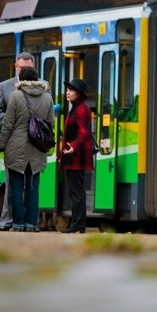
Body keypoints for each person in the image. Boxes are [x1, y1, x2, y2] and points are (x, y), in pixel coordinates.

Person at [0, 66, 54, 232]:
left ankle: (18, 223)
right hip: (37, 149)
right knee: (33, 188)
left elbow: (8, 124)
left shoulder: (16, 96)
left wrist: (1, 144)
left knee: (16, 188)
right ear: (37, 79)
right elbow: (50, 123)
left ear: (21, 79)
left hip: (16, 148)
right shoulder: (47, 97)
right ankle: (31, 223)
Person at [0, 52, 38, 231]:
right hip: (14, 143)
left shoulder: (42, 87)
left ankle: (25, 222)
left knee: (30, 185)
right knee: (11, 184)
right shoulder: (5, 87)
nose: (25, 71)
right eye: (22, 68)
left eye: (28, 68)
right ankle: (8, 220)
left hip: (34, 144)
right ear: (16, 66)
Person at [58, 78, 94, 234]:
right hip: (73, 156)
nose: (67, 92)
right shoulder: (76, 108)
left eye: (71, 90)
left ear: (78, 94)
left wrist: (73, 146)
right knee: (76, 191)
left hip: (77, 157)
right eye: (67, 90)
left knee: (76, 191)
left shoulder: (81, 109)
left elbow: (84, 132)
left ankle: (77, 223)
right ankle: (79, 224)